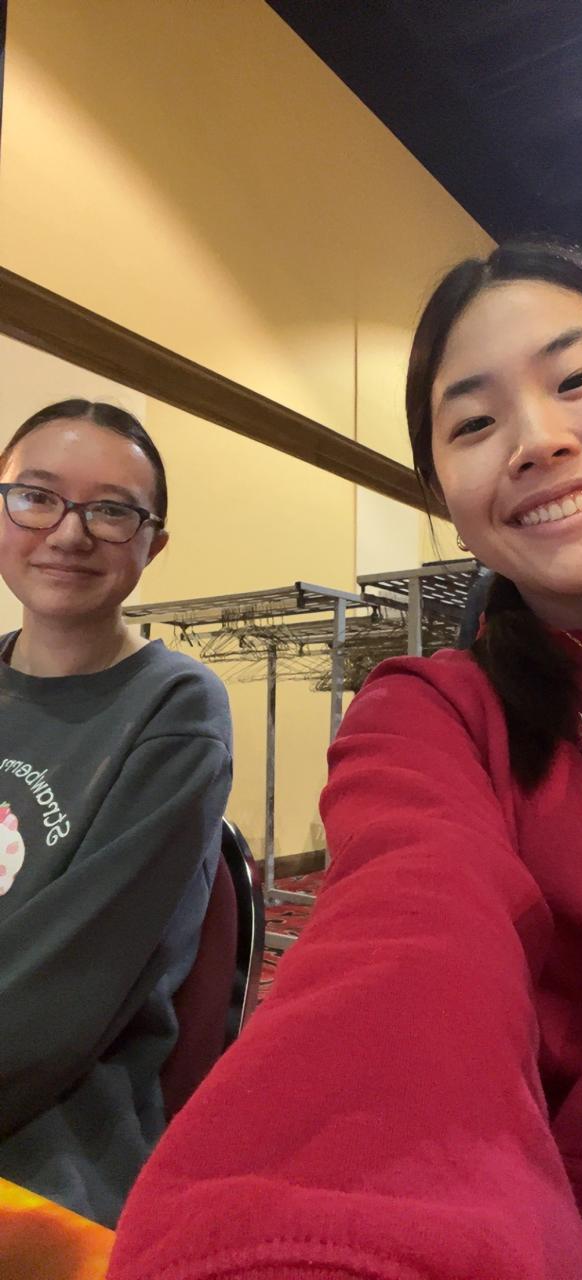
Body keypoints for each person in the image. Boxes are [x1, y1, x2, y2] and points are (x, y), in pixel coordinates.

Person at [108, 242, 582, 1280]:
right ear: (444, 494)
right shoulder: (425, 714)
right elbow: (404, 943)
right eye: (475, 424)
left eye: (576, 378)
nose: (536, 440)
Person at [0, 400, 233, 1228]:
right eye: (37, 497)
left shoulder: (176, 709)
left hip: (50, 1135)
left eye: (111, 511)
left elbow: (61, 996)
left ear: (151, 544)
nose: (69, 534)